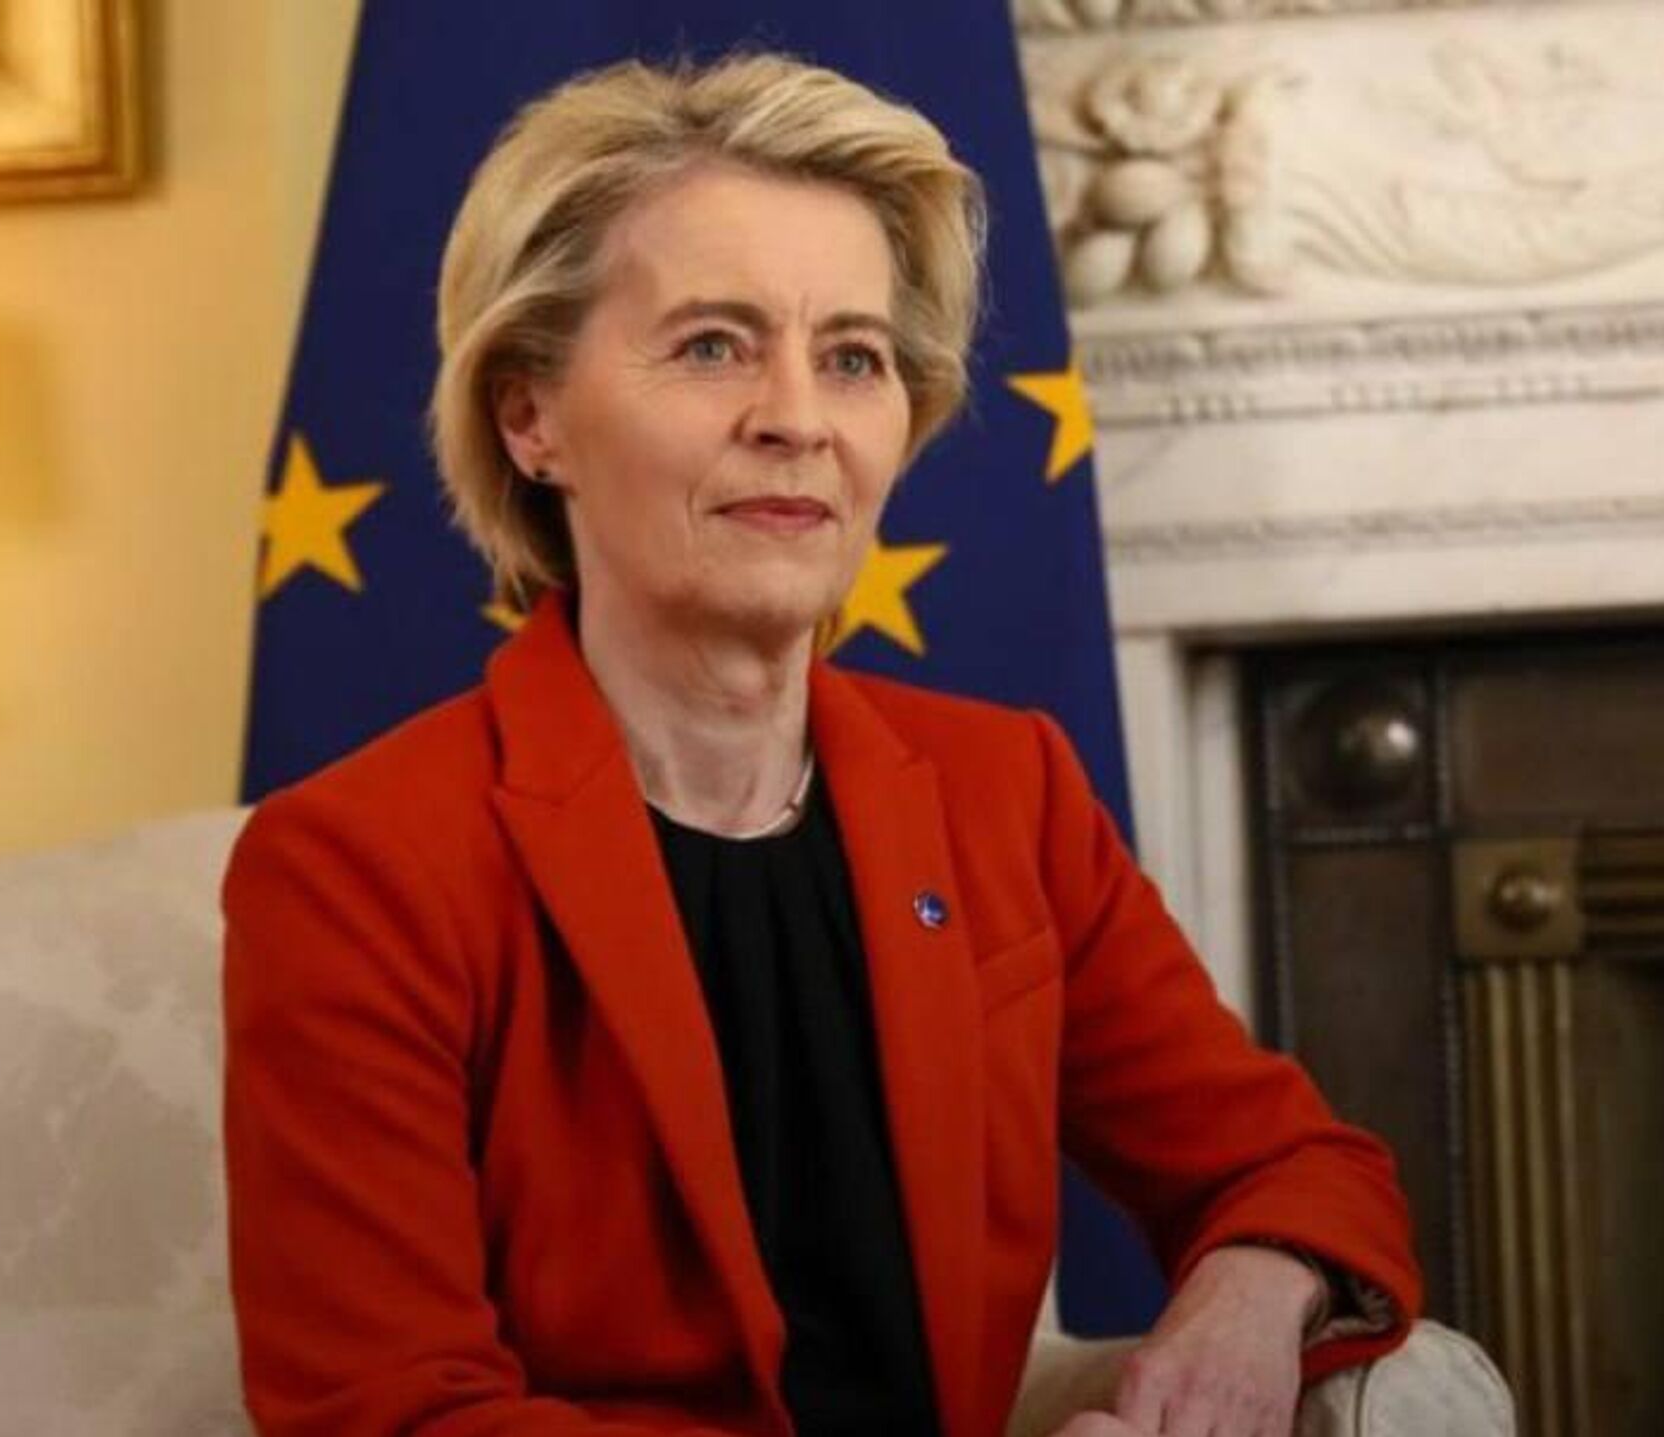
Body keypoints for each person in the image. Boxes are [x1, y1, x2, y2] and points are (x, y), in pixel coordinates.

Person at [222, 53, 1433, 1437]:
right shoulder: (358, 865)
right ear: (530, 416)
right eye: (713, 345)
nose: (797, 418)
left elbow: (1296, 1164)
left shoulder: (1006, 794)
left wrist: (1249, 1295)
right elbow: (391, 1415)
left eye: (852, 357)